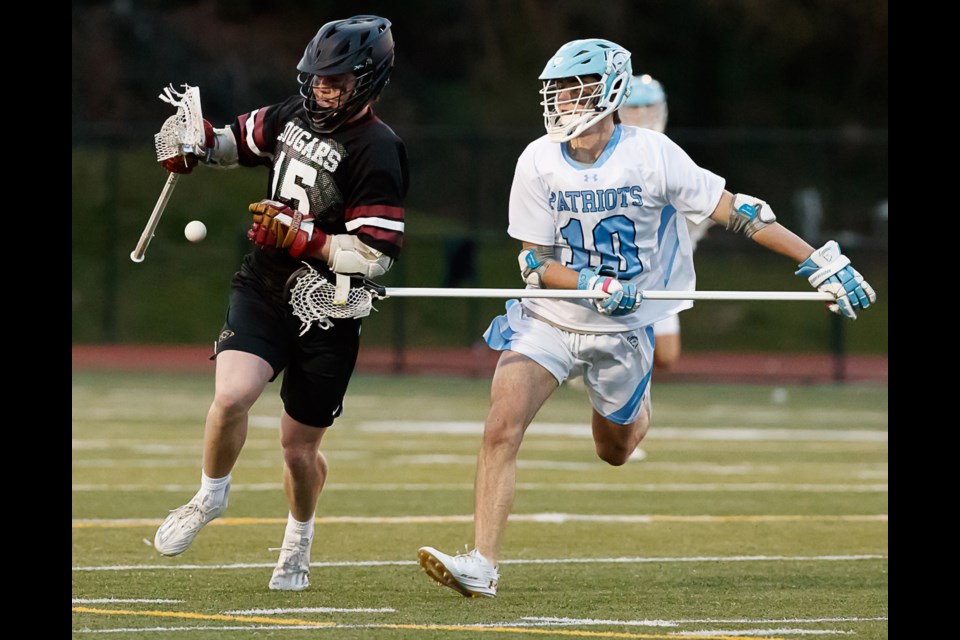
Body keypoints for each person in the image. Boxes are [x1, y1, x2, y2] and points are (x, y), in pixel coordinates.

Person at [416, 37, 874, 598]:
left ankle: (637, 409)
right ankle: (482, 564)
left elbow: (740, 211)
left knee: (614, 451)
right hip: (552, 318)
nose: (560, 101)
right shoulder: (536, 159)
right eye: (555, 91)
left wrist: (819, 260)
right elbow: (534, 263)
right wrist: (593, 284)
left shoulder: (652, 154)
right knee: (500, 427)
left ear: (608, 92)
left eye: (572, 89)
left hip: (623, 332)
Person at [151, 15, 408, 592]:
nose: (323, 90)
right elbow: (231, 143)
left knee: (298, 449)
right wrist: (193, 147)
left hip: (327, 305)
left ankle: (297, 540)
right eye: (318, 79)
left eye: (337, 82)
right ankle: (209, 496)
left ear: (369, 82)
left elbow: (377, 255)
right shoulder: (291, 115)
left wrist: (307, 239)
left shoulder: (379, 149)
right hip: (266, 283)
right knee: (232, 393)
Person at [619, 72, 712, 371]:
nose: (642, 116)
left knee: (666, 356)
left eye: (649, 109)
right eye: (634, 108)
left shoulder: (667, 153)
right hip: (620, 266)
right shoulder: (614, 155)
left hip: (661, 272)